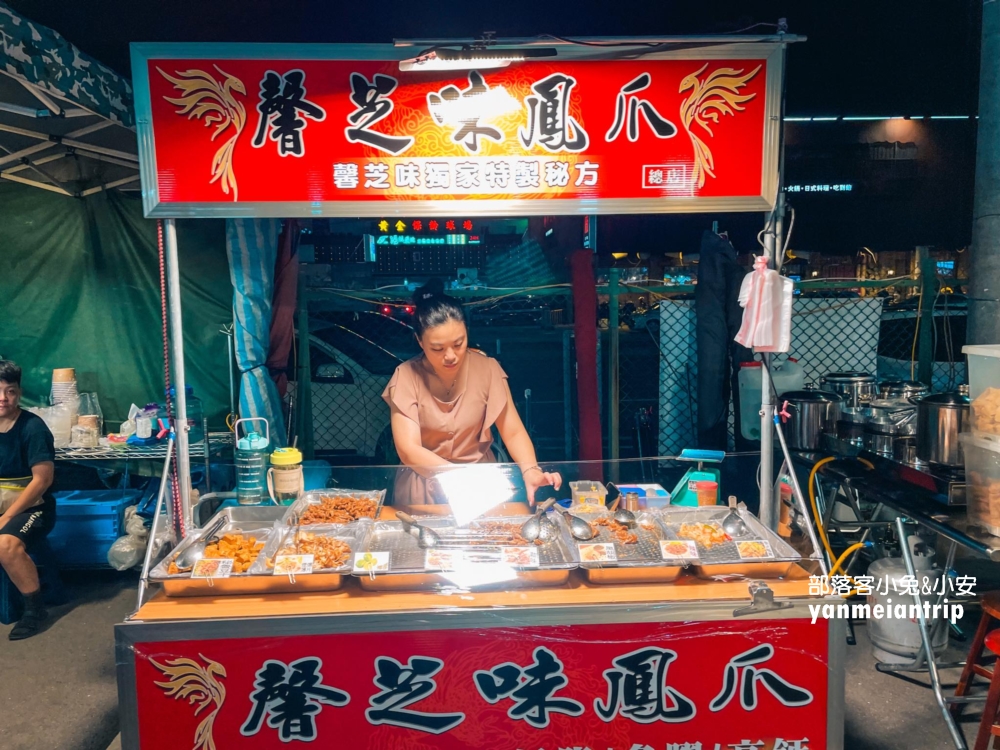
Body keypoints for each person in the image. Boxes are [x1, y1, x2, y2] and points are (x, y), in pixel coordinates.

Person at [382, 280, 562, 507]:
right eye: (437, 348)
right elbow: (408, 450)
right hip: (424, 483)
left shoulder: (488, 369)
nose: (450, 356)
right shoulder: (406, 376)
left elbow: (513, 431)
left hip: (480, 484)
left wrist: (530, 470)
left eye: (458, 344)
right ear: (419, 340)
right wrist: (458, 478)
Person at [0, 361, 56, 640]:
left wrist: (8, 516)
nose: (3, 398)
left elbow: (41, 481)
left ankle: (33, 609)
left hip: (32, 507)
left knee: (5, 544)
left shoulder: (32, 428)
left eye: (10, 391)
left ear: (19, 393)